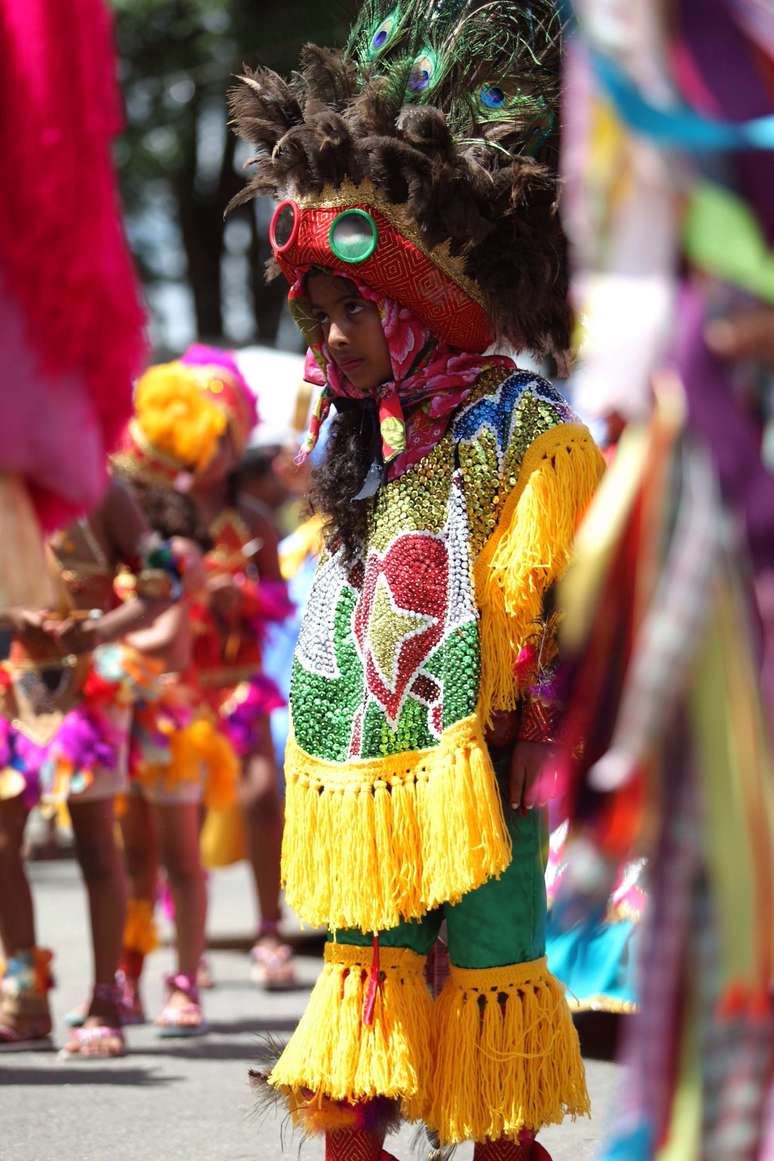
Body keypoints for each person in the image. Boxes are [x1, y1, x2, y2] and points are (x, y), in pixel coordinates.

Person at [227, 4, 606, 1157]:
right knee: (363, 1029)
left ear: (423, 308)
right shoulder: (363, 442)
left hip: (489, 768)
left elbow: (551, 600)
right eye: (325, 312)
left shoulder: (521, 427)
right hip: (374, 784)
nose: (333, 338)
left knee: (492, 1021)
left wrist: (530, 736)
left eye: (357, 310)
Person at [116, 348, 294, 989]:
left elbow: (278, 600)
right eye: (204, 439)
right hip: (181, 685)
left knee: (258, 794)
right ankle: (185, 938)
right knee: (181, 814)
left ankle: (269, 930)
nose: (212, 454)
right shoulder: (160, 517)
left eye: (224, 440)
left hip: (239, 682)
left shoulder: (253, 522)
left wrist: (238, 596)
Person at [0, 478, 179, 1056]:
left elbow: (162, 579)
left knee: (98, 845)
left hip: (92, 685)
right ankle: (25, 998)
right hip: (15, 683)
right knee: (3, 842)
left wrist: (100, 629)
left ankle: (106, 997)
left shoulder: (100, 486)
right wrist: (15, 612)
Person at [112, 475, 239, 1037]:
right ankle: (126, 977)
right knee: (133, 861)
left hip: (171, 729)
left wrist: (90, 634)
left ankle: (185, 982)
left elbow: (171, 639)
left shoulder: (177, 555)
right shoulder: (113, 556)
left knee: (182, 862)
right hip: (118, 723)